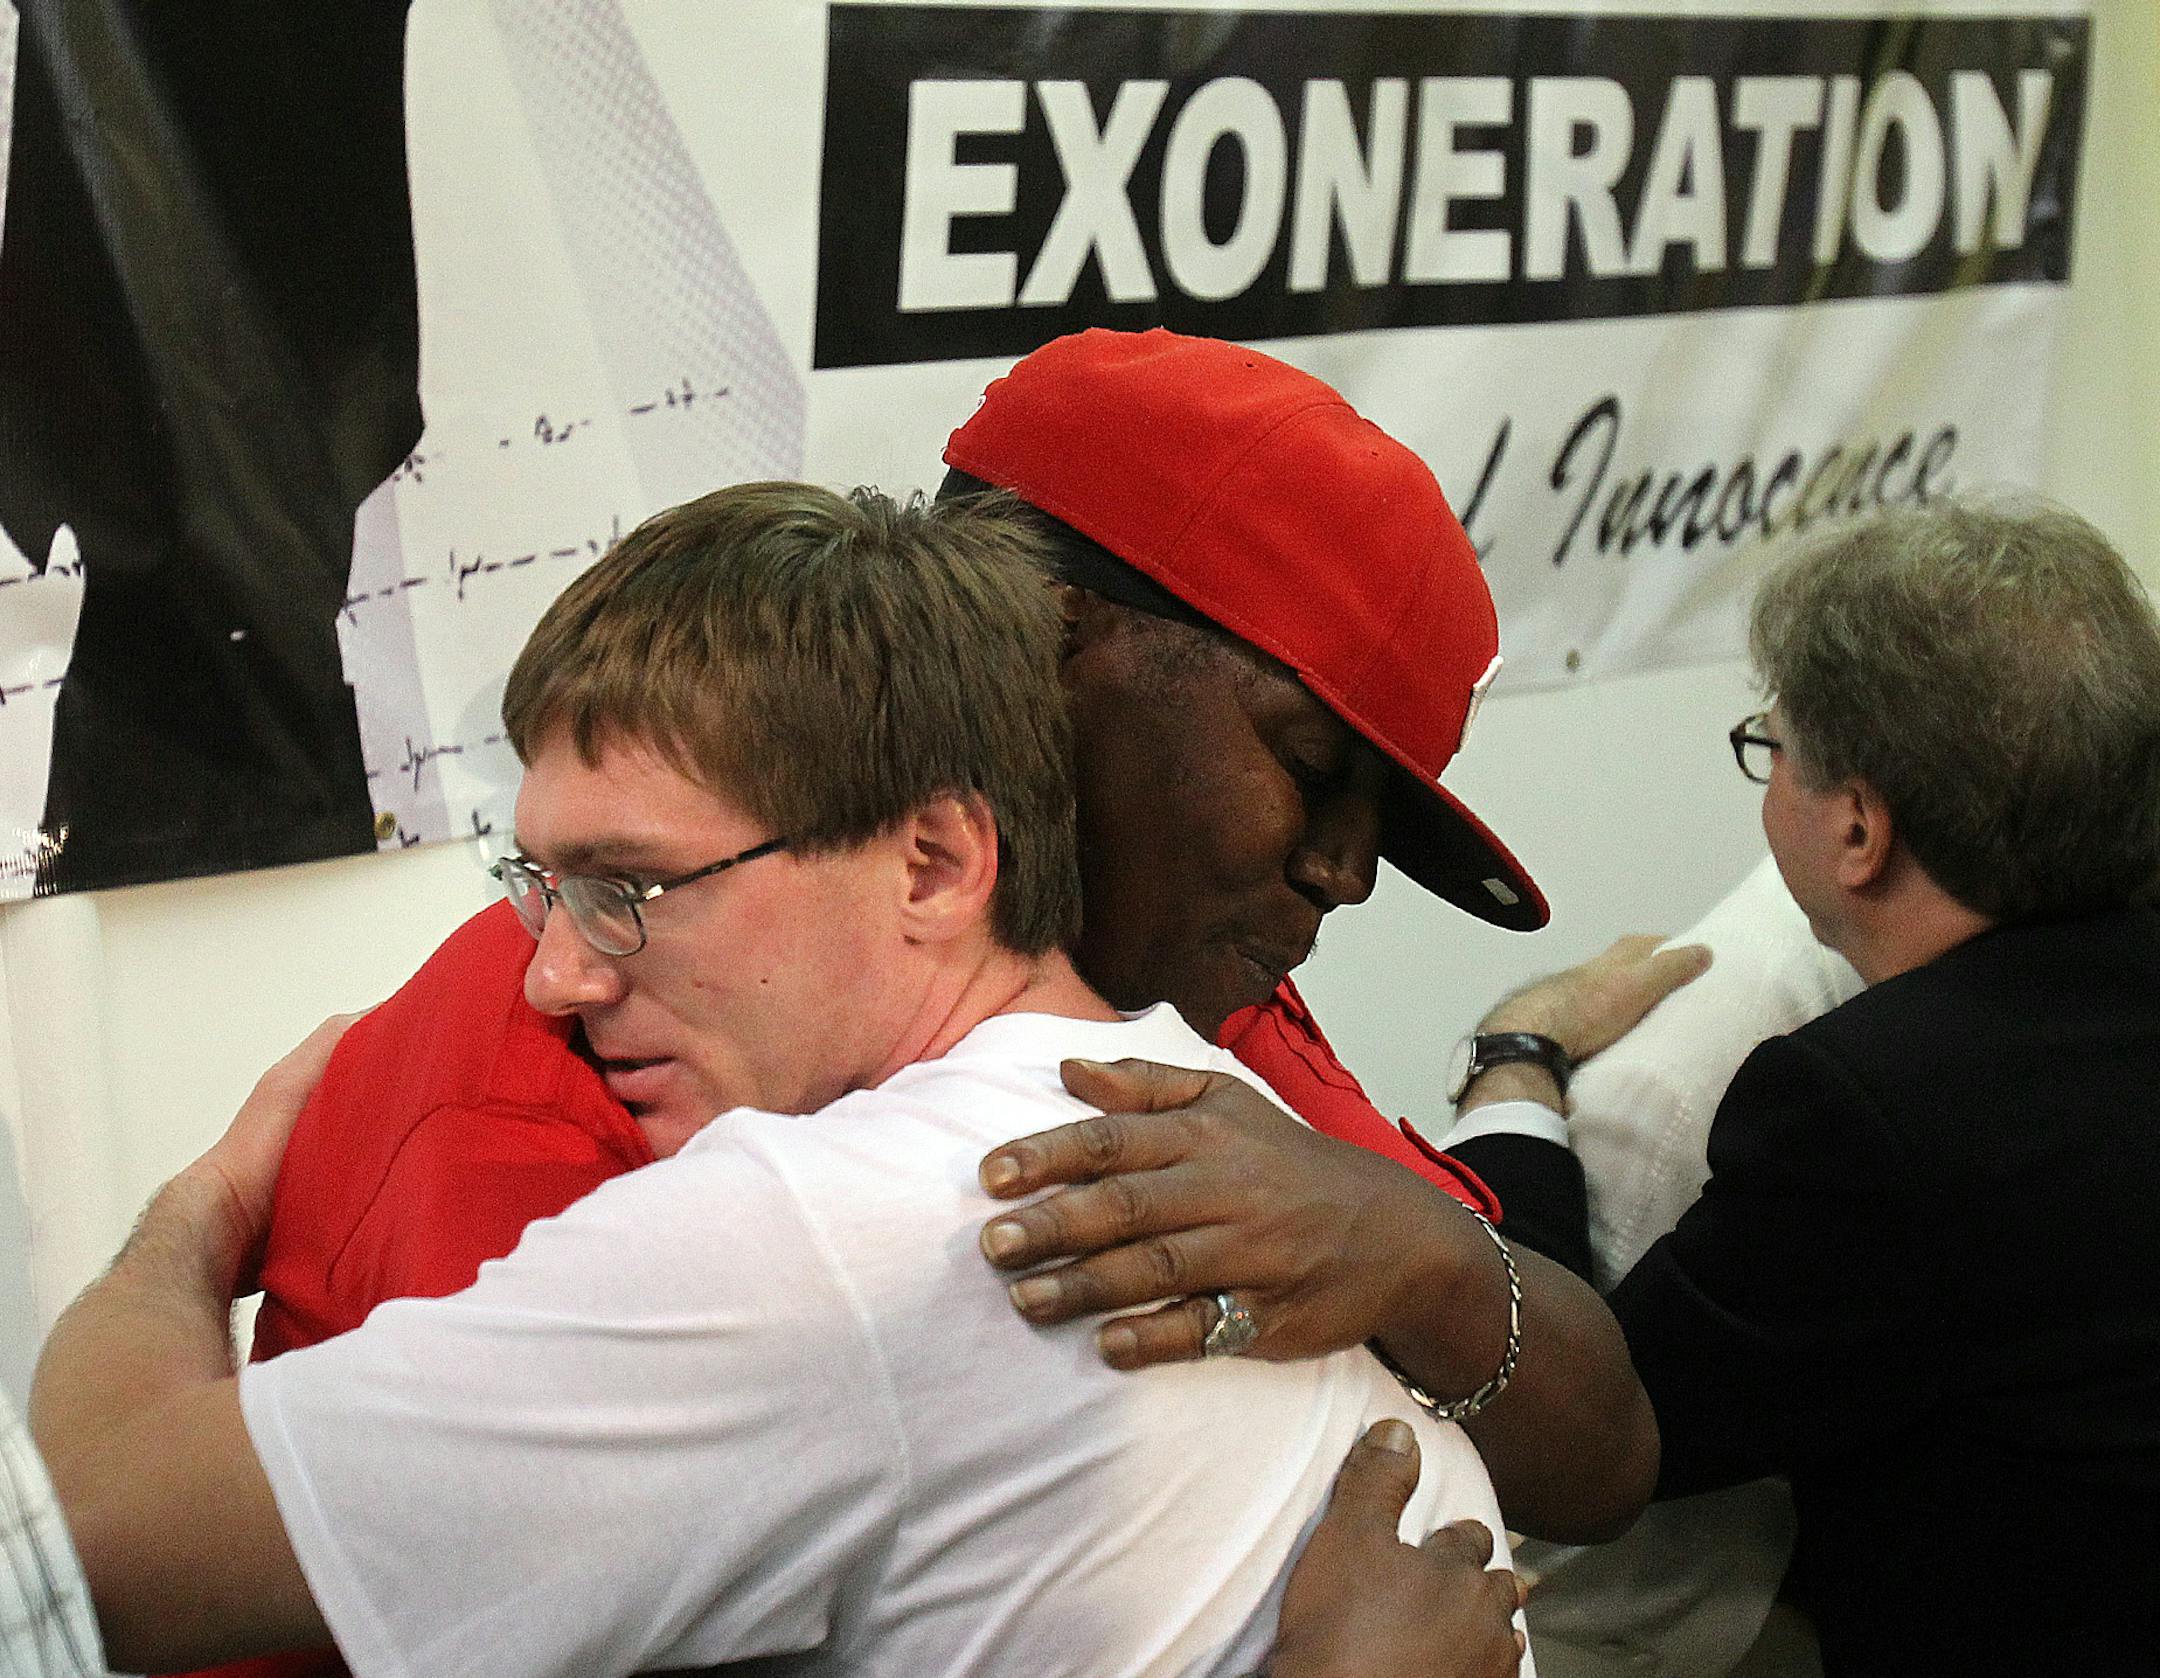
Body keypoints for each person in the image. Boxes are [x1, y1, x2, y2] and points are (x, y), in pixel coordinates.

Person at [31, 481, 1529, 1676]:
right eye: (539, 882)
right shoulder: (1196, 1103)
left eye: (633, 886)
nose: (555, 977)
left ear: (933, 862)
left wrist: (200, 1209)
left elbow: (79, 1548)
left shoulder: (827, 1237)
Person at [231, 326, 1657, 1577]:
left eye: (1381, 824)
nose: (1344, 872)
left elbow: (1606, 1462)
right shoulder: (594, 1019)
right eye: (1311, 767)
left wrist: (1417, 1255)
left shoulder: (1165, 985)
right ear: (1044, 643)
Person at [980, 496, 2160, 1674]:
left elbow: (1617, 1425)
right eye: (1311, 769)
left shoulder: (1870, 1108)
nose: (1344, 872)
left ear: (1858, 832)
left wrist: (1518, 1061)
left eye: (1775, 749)